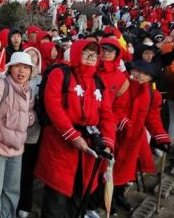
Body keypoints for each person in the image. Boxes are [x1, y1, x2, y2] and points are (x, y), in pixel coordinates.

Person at [34, 40, 115, 218]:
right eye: (86, 53)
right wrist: (73, 136)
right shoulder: (60, 73)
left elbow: (107, 114)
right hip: (60, 144)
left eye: (94, 55)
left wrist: (108, 142)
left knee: (79, 195)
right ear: (77, 53)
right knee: (57, 198)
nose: (90, 58)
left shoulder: (98, 81)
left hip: (88, 149)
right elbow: (53, 106)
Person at [112, 60, 170, 212]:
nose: (140, 75)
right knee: (108, 170)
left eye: (146, 74)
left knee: (125, 171)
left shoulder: (153, 95)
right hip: (115, 135)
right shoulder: (121, 84)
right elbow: (112, 108)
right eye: (138, 71)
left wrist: (161, 136)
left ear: (151, 78)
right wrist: (124, 123)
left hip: (134, 139)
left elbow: (153, 118)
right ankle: (105, 198)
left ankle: (118, 195)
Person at [0, 52, 36, 218]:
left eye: (26, 67)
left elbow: (31, 112)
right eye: (18, 66)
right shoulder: (2, 84)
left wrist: (27, 119)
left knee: (12, 190)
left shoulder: (29, 90)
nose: (22, 71)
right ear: (10, 68)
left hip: (17, 149)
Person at [17, 46, 42, 218]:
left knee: (27, 171)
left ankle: (25, 204)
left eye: (35, 56)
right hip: (13, 133)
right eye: (28, 55)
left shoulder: (42, 80)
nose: (32, 58)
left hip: (32, 134)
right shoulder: (14, 78)